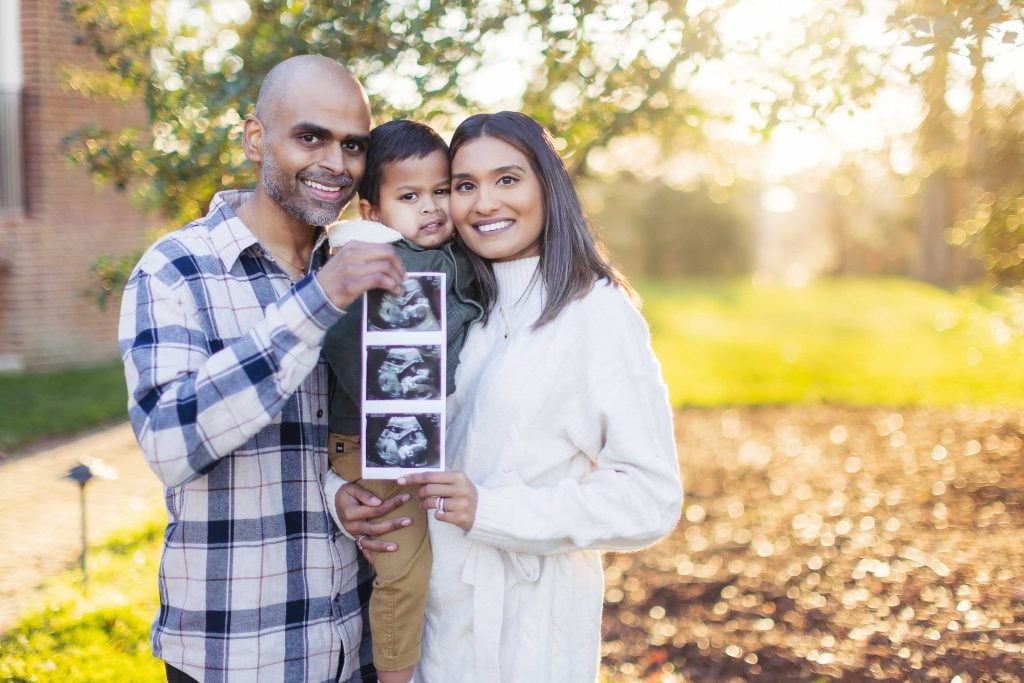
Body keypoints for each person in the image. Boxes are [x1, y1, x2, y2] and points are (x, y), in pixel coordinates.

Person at [118, 55, 413, 683]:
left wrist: (350, 492)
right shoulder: (177, 269)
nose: (336, 163)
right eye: (311, 137)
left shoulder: (371, 265)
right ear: (256, 139)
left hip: (356, 648)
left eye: (353, 144)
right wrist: (318, 302)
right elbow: (169, 443)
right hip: (239, 653)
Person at [399, 111, 684, 681]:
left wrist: (495, 510)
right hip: (434, 623)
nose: (484, 204)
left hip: (528, 633)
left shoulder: (595, 314)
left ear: (547, 187)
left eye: (507, 179)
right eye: (465, 186)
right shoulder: (451, 309)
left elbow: (652, 498)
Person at [320, 119, 481, 683]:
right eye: (409, 197)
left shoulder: (456, 254)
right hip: (373, 442)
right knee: (406, 569)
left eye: (441, 191)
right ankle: (395, 677)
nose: (431, 208)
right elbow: (337, 348)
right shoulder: (375, 262)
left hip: (421, 439)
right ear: (373, 211)